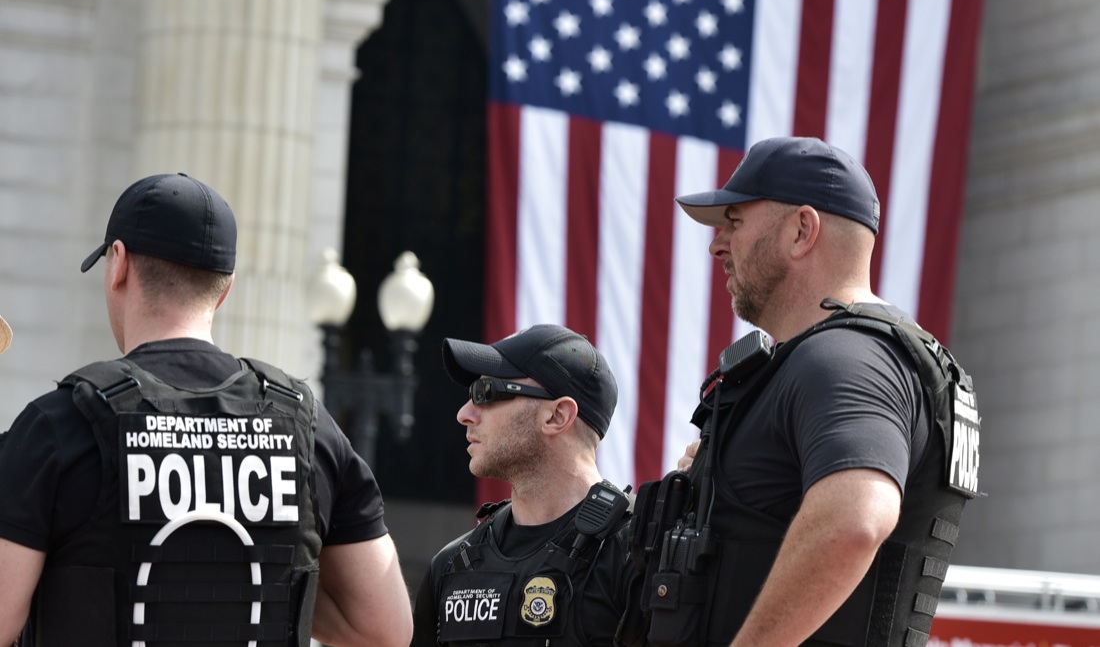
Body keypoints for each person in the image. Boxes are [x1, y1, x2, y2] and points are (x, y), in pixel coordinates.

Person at [0, 173, 413, 647]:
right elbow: (385, 631)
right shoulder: (309, 428)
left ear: (118, 264)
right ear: (224, 288)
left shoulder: (57, 427)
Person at [625, 136, 980, 647]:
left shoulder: (847, 358)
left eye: (736, 221)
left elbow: (855, 519)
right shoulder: (850, 358)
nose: (717, 244)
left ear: (802, 230)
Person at [411, 324, 633, 647]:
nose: (464, 414)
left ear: (557, 416)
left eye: (486, 393)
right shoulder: (450, 568)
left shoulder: (636, 556)